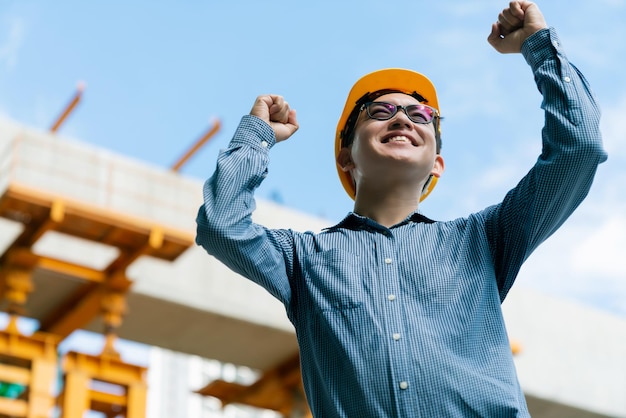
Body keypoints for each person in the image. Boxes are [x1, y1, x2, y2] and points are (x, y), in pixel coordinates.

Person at [195, 1, 607, 416]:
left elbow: (579, 150)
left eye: (421, 115)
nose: (404, 119)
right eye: (380, 111)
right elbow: (222, 226)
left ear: (437, 165)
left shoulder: (484, 240)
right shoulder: (301, 261)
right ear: (346, 157)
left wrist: (538, 46)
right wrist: (257, 136)